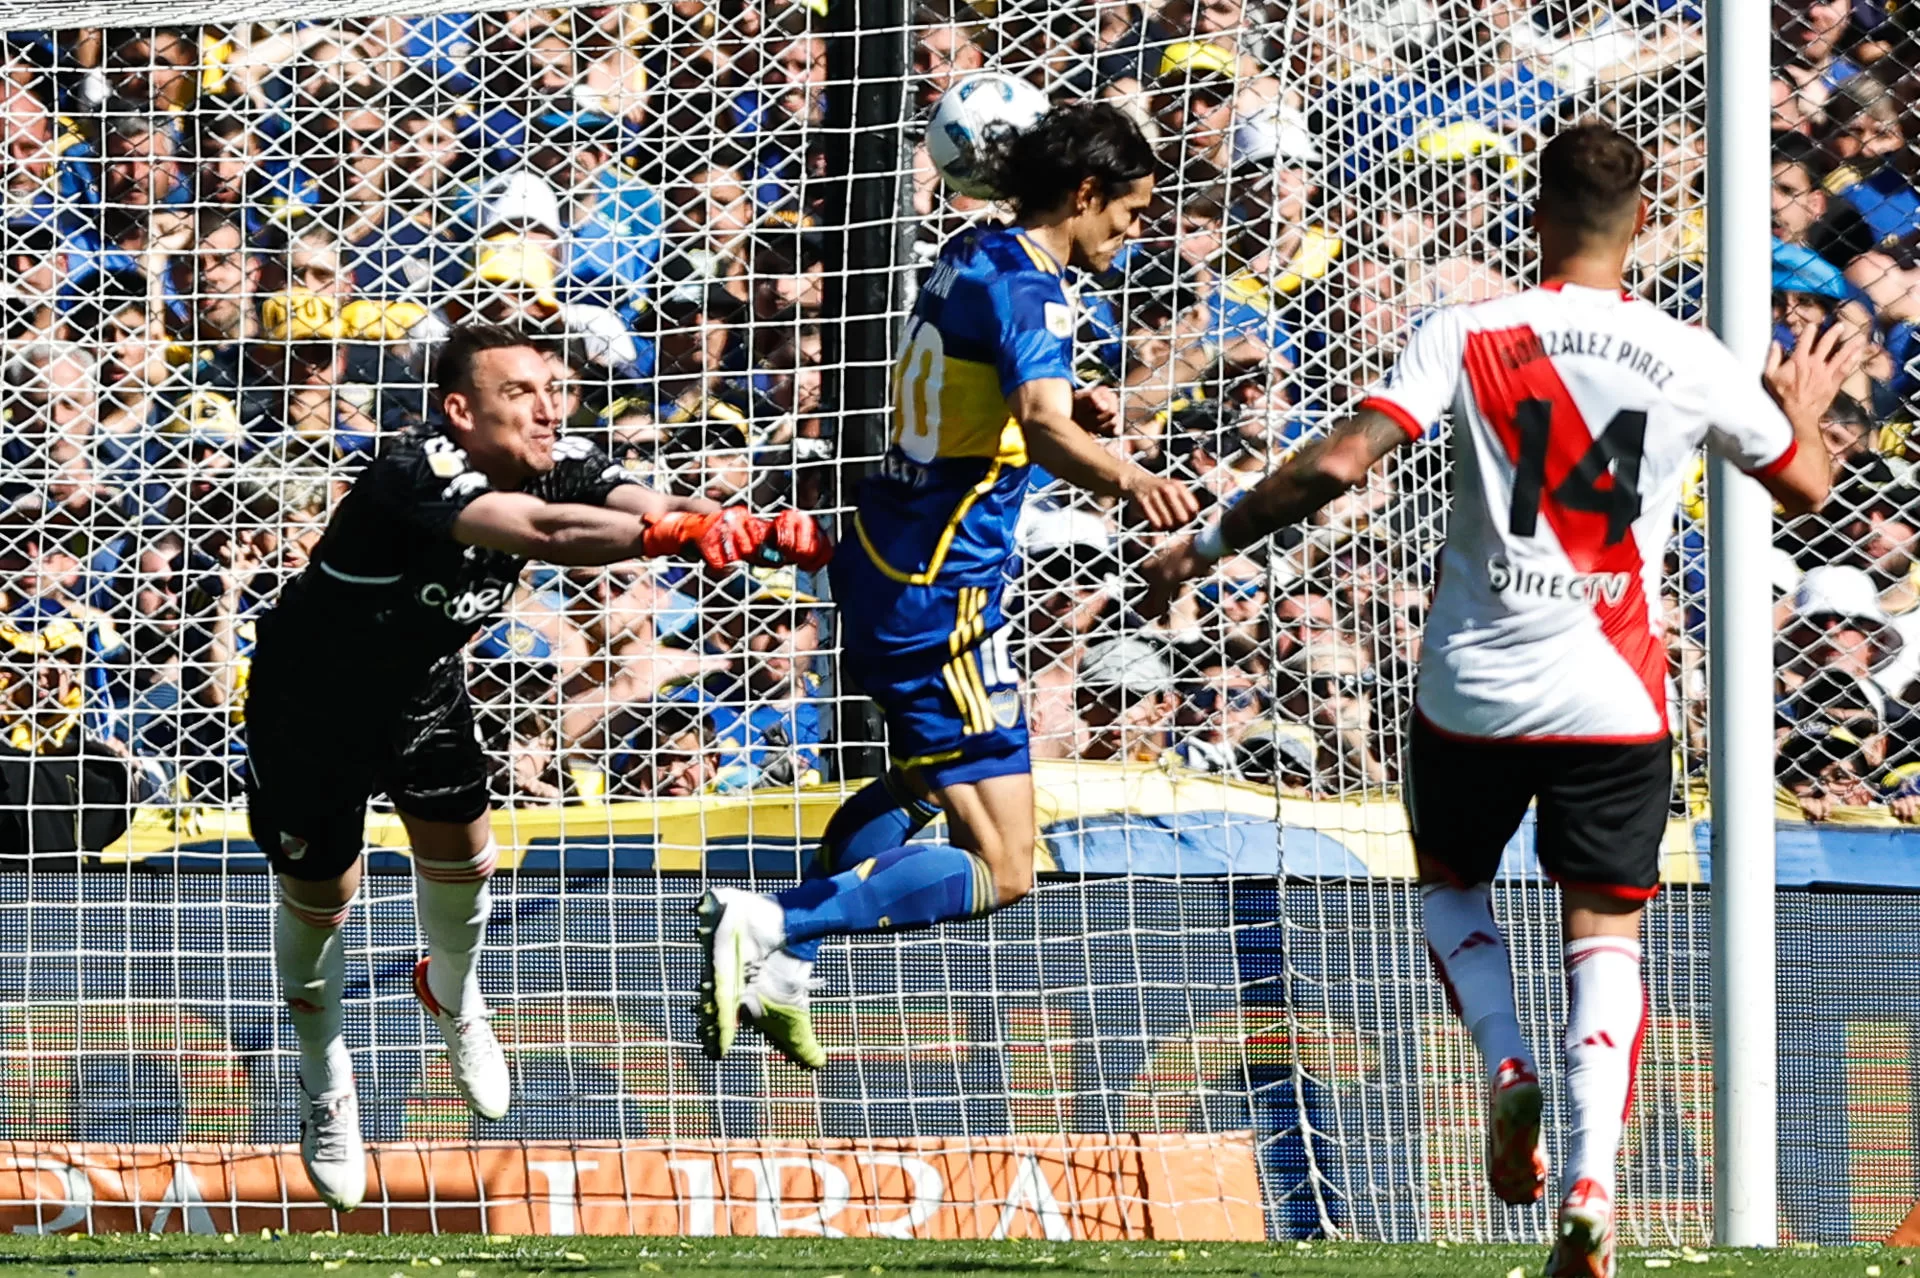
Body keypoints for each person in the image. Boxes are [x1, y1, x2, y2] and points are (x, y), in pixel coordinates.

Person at [1142, 120, 1851, 1277]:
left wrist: (1211, 538)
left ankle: (1505, 1061)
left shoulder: (1470, 331)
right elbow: (1808, 484)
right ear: (1645, 227)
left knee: (1451, 882)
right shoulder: (1689, 355)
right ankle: (1592, 1184)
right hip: (1615, 694)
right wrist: (1799, 398)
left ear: (1535, 218)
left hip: (1471, 686)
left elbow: (1334, 466)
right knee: (1606, 933)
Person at [243, 322, 829, 1212]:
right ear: (459, 412)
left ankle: (454, 994)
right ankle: (324, 1078)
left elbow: (628, 498)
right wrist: (672, 535)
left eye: (555, 387)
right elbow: (549, 532)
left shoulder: (560, 453)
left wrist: (722, 525)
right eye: (520, 392)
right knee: (323, 904)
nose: (549, 406)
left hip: (421, 693)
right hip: (310, 710)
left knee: (466, 864)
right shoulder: (415, 472)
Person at [694, 102, 1197, 1072]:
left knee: (930, 784)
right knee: (1008, 866)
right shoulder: (1033, 289)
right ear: (1084, 194)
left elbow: (986, 395)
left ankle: (787, 966)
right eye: (1130, 212)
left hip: (883, 561)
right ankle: (770, 922)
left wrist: (1061, 407)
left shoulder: (973, 250)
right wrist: (1130, 477)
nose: (1134, 233)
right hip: (949, 601)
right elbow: (1044, 427)